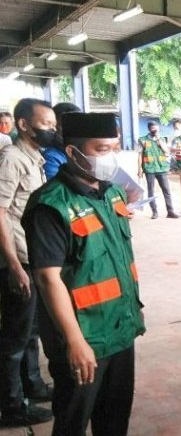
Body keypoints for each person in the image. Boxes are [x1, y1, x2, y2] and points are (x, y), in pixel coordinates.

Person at [23, 112, 145, 436]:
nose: (111, 157)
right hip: (84, 337)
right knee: (73, 421)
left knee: (115, 420)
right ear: (73, 152)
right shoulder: (51, 206)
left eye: (114, 148)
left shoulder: (113, 194)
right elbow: (48, 278)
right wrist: (75, 341)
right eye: (101, 149)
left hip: (119, 328)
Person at [0, 98, 56, 426]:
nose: (51, 130)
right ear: (23, 125)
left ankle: (32, 385)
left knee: (31, 330)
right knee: (15, 337)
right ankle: (11, 406)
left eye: (52, 124)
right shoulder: (11, 159)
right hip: (17, 260)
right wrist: (14, 266)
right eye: (45, 123)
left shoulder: (34, 158)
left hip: (32, 256)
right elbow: (0, 213)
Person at [137, 121, 179, 219]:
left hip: (161, 168)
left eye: (156, 129)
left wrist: (159, 140)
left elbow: (166, 151)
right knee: (151, 191)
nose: (155, 131)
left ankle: (170, 211)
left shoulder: (162, 139)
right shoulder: (142, 140)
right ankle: (154, 212)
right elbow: (140, 155)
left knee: (166, 190)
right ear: (149, 129)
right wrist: (139, 169)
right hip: (149, 168)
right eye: (153, 129)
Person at [43, 103, 83, 180]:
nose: (74, 130)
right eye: (67, 126)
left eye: (77, 126)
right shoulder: (51, 157)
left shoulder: (83, 152)